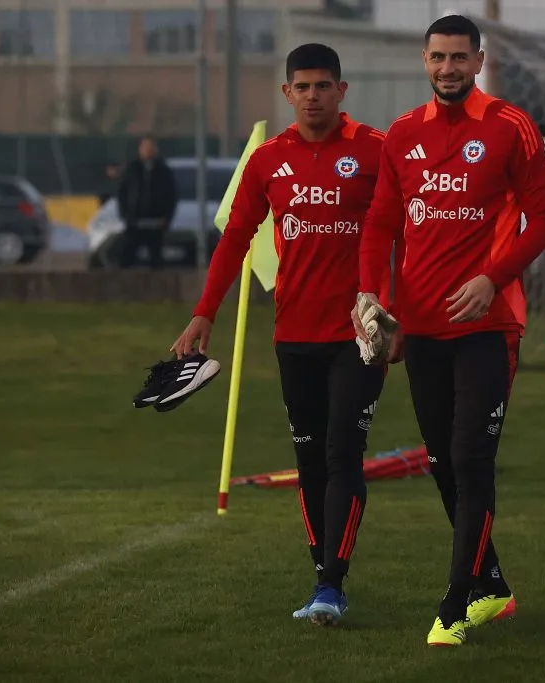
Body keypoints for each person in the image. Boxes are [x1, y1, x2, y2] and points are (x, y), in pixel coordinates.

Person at [170, 43, 397, 626]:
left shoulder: (375, 150)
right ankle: (322, 574)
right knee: (310, 458)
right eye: (303, 86)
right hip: (293, 335)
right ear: (287, 93)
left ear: (341, 91)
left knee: (343, 451)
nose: (314, 95)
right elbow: (236, 239)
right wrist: (205, 311)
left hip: (358, 335)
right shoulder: (268, 160)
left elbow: (407, 233)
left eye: (324, 85)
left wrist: (398, 315)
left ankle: (330, 583)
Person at [354, 14, 545, 647]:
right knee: (444, 462)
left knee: (471, 458)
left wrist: (492, 278)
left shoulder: (509, 127)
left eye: (459, 58)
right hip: (420, 332)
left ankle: (453, 605)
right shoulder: (404, 134)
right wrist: (371, 296)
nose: (448, 68)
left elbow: (542, 221)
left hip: (486, 328)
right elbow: (382, 223)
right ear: (424, 60)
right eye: (438, 57)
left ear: (478, 61)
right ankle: (491, 585)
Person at [117, 135, 178, 268]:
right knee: (125, 258)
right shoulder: (132, 170)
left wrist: (167, 218)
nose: (148, 151)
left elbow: (171, 196)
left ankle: (157, 286)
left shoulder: (164, 172)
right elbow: (122, 193)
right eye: (146, 147)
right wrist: (125, 215)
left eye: (151, 147)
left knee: (156, 261)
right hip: (135, 222)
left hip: (156, 223)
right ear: (140, 149)